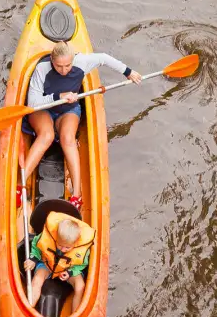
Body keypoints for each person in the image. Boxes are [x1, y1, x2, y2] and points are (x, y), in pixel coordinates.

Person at [22, 42, 143, 208]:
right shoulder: (42, 69)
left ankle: (76, 195)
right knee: (47, 135)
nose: (64, 70)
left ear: (73, 60)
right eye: (59, 66)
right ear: (52, 59)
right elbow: (33, 103)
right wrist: (59, 96)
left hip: (68, 109)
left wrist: (128, 72)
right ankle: (20, 184)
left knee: (68, 139)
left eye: (68, 65)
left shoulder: (82, 62)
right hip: (44, 109)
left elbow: (104, 58)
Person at [22, 211, 95, 313]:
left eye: (67, 247)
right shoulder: (48, 237)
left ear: (75, 243)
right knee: (38, 278)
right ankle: (28, 308)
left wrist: (70, 272)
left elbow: (82, 264)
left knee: (80, 285)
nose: (63, 249)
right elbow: (36, 244)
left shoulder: (81, 248)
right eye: (60, 245)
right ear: (56, 237)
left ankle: (75, 314)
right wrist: (33, 259)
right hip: (47, 264)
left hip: (68, 268)